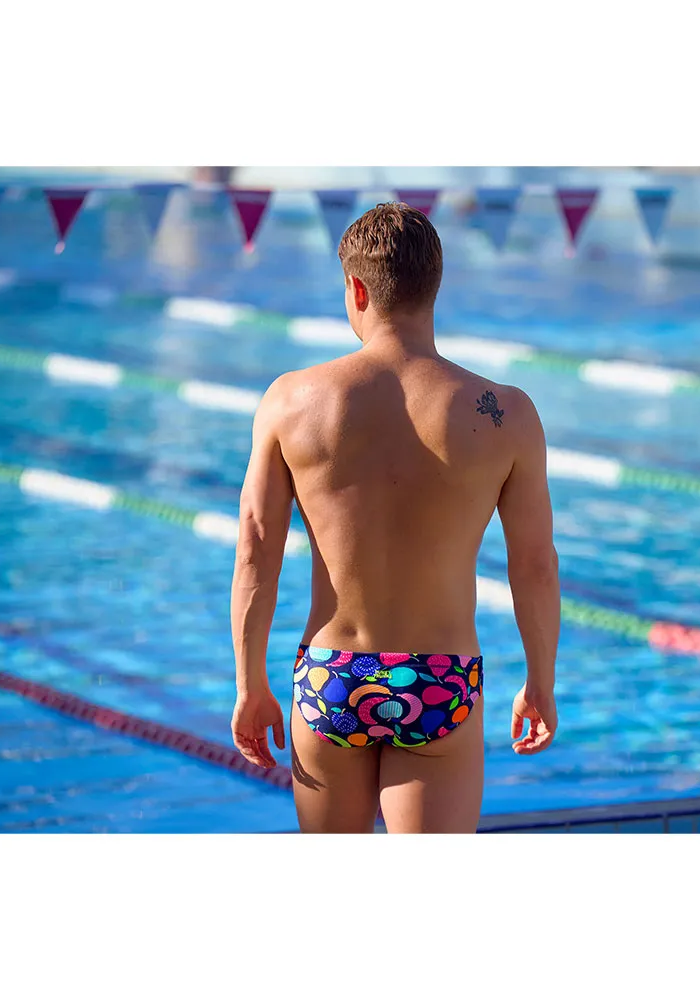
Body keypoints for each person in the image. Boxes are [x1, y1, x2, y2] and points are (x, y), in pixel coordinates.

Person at [229, 202, 559, 833]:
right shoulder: (506, 413)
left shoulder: (291, 400)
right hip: (441, 678)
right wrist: (540, 680)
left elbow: (255, 548)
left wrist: (249, 684)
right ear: (434, 288)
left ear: (356, 290)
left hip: (333, 675)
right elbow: (536, 565)